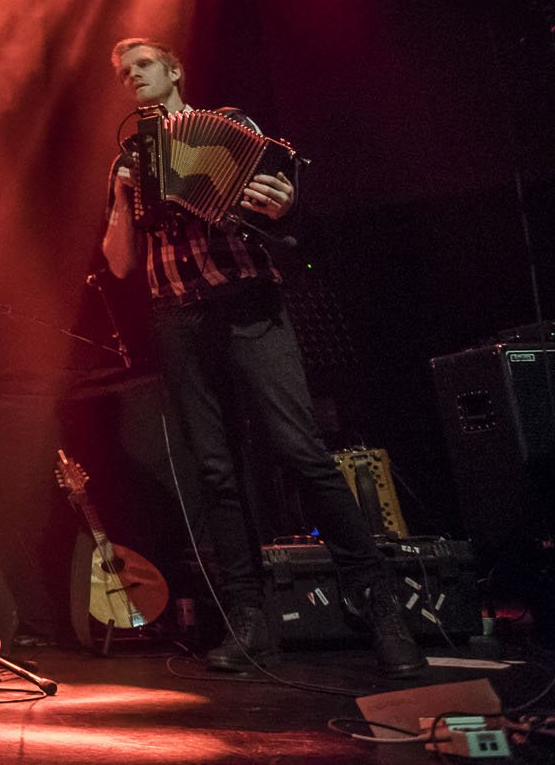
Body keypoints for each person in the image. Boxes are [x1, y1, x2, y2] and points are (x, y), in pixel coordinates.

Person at [100, 37, 421, 676]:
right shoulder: (128, 159)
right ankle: (249, 622)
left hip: (248, 304)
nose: (133, 77)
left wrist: (284, 203)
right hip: (178, 316)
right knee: (215, 472)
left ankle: (382, 605)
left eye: (143, 65)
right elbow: (119, 264)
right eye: (124, 72)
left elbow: (278, 205)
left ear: (173, 71)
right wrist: (119, 200)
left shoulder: (231, 126)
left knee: (302, 453)